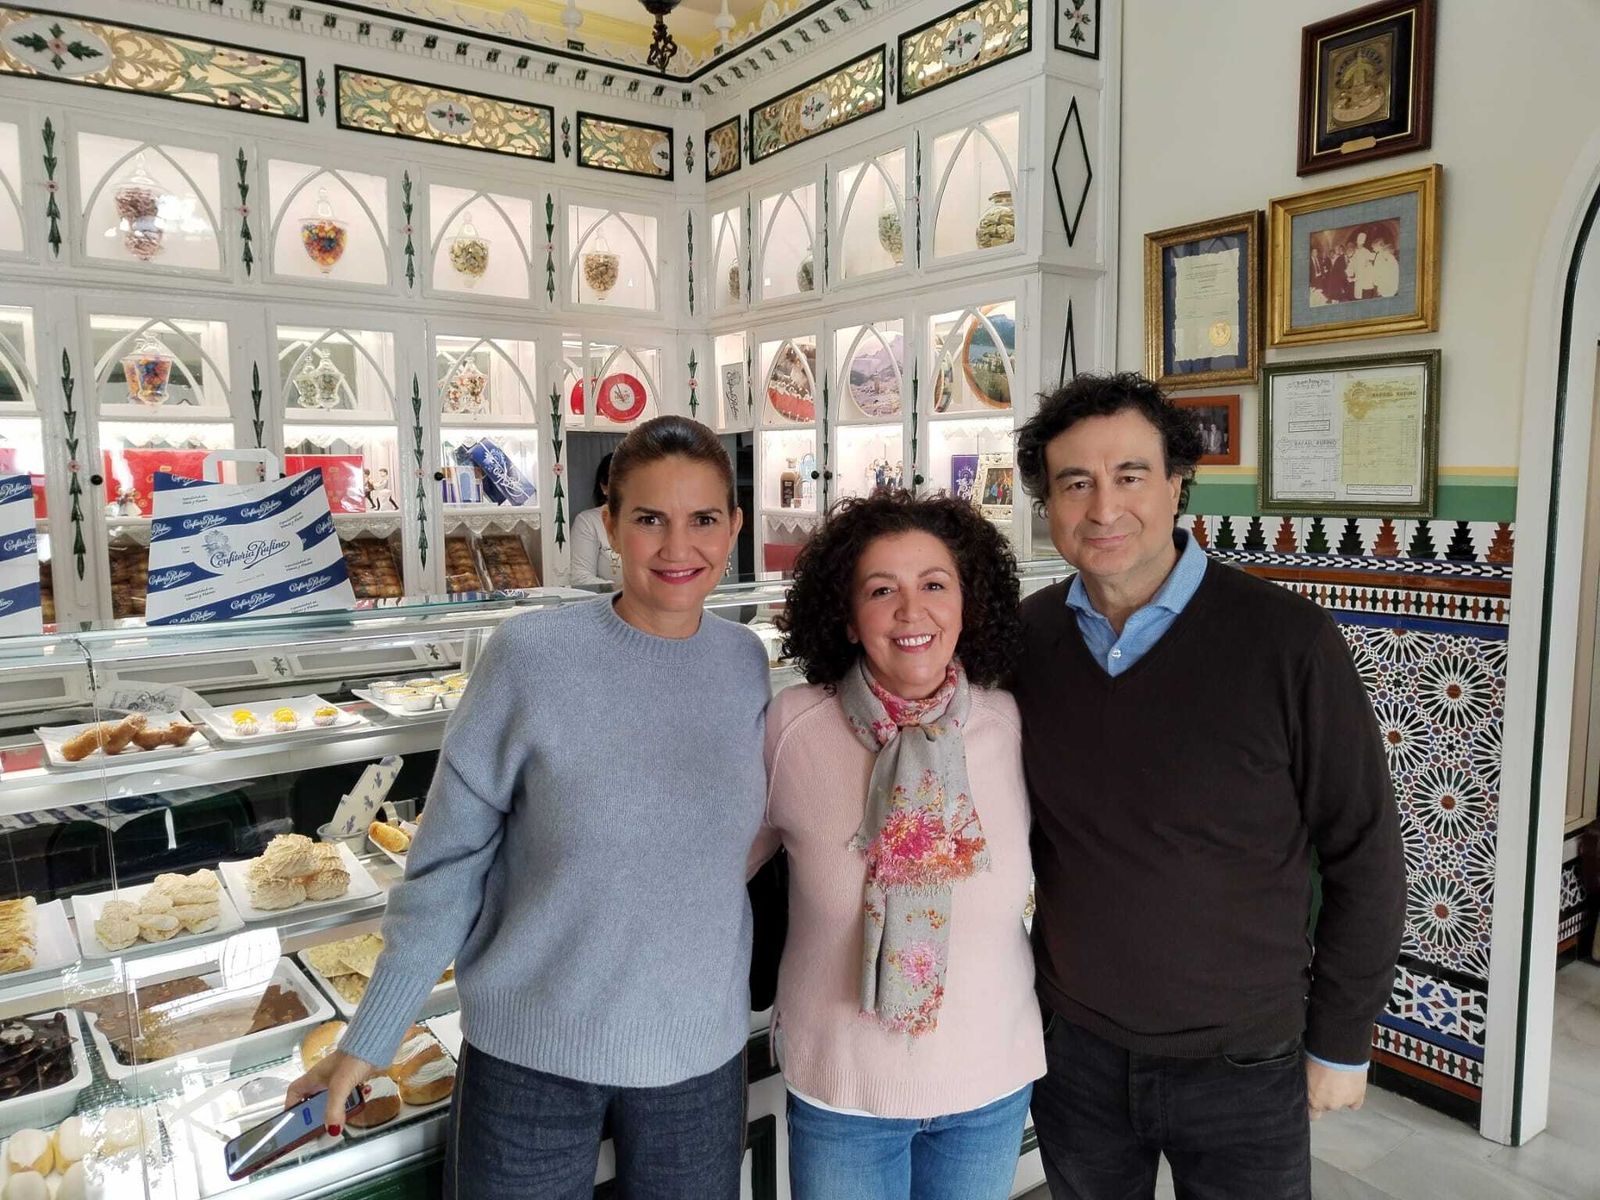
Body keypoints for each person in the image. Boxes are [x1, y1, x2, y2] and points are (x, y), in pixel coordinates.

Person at [286, 416, 767, 1200]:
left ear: (734, 526)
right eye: (650, 518)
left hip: (698, 1060)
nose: (678, 546)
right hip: (531, 1060)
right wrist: (372, 1036)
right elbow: (448, 865)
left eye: (704, 519)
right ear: (609, 524)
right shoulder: (532, 657)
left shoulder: (744, 663)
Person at [1010, 373, 1405, 1200]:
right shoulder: (1027, 640)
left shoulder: (1288, 642)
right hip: (1075, 1051)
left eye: (1130, 476)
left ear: (1177, 483)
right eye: (1075, 483)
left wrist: (1342, 1038)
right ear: (1047, 502)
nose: (1104, 508)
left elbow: (1364, 850)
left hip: (1244, 1062)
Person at [751, 492, 1045, 1200]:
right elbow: (718, 866)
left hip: (989, 1083)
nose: (912, 612)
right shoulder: (793, 727)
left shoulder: (1011, 723)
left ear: (968, 606)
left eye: (935, 585)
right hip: (842, 1092)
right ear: (849, 618)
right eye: (882, 591)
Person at [569, 452, 619, 586]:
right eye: (619, 481)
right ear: (604, 487)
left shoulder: (653, 519)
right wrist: (621, 591)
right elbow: (580, 577)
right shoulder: (588, 521)